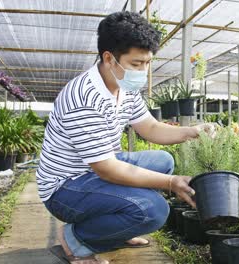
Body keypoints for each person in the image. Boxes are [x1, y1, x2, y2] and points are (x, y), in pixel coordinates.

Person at [37, 11, 214, 264]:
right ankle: (77, 239)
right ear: (109, 58)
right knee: (153, 210)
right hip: (66, 187)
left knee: (163, 161)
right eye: (136, 64)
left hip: (96, 169)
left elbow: (150, 128)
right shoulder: (85, 98)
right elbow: (107, 169)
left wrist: (191, 131)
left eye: (147, 63)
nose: (143, 71)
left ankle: (118, 226)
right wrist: (172, 183)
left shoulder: (125, 88)